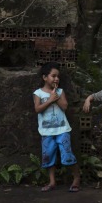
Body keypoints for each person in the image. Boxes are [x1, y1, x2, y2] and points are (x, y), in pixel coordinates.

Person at [33, 61, 81, 192]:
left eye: (58, 76)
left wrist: (56, 96)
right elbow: (37, 109)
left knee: (67, 154)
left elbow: (64, 107)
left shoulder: (60, 91)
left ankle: (76, 177)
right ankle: (52, 182)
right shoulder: (38, 93)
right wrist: (49, 100)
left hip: (62, 130)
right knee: (48, 156)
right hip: (46, 131)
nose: (56, 79)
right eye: (53, 76)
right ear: (44, 77)